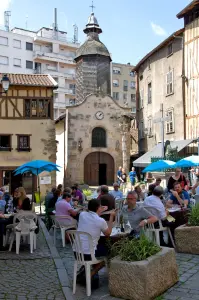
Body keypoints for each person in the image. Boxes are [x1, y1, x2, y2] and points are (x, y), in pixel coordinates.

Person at [75, 199, 116, 281]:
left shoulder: (82, 215)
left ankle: (85, 270)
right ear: (98, 208)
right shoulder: (100, 221)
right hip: (88, 255)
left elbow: (90, 211)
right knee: (109, 252)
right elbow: (108, 234)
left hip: (76, 253)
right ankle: (90, 275)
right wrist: (111, 217)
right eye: (100, 207)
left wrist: (100, 209)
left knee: (97, 246)